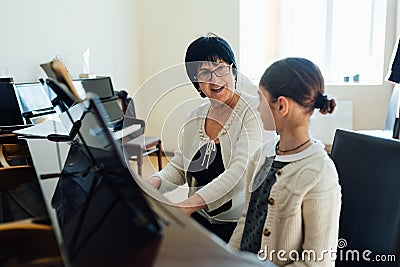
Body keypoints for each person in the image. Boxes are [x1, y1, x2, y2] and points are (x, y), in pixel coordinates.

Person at [147, 33, 269, 243]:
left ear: (233, 69)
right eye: (205, 73)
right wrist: (154, 181)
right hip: (200, 219)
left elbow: (238, 173)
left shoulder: (254, 112)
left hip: (240, 224)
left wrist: (187, 205)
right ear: (196, 82)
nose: (214, 80)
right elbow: (179, 166)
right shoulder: (195, 116)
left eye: (220, 69)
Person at [228, 57, 341, 266]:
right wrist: (225, 259)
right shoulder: (262, 156)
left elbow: (317, 262)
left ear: (281, 106)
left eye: (260, 98)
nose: (257, 105)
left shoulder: (320, 173)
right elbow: (246, 220)